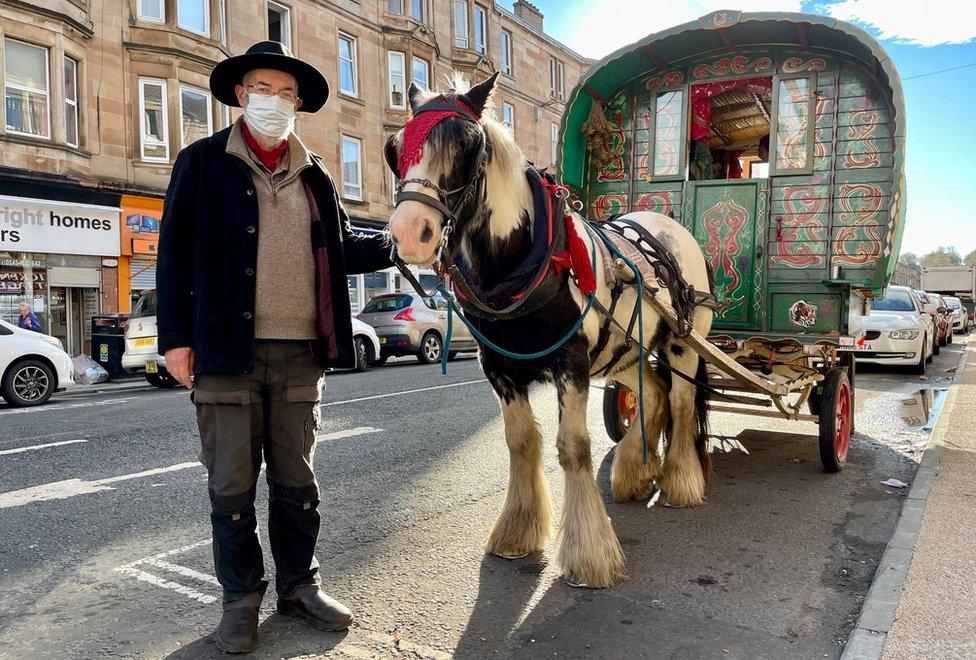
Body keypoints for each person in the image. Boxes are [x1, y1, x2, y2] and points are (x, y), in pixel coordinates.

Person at [156, 41, 392, 654]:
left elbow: (342, 249)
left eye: (287, 94)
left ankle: (299, 586)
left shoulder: (316, 174)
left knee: (297, 481)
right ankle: (240, 599)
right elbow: (173, 255)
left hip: (299, 354)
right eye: (265, 89)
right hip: (223, 352)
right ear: (240, 94)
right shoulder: (202, 162)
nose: (276, 101)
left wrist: (401, 242)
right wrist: (175, 340)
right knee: (231, 485)